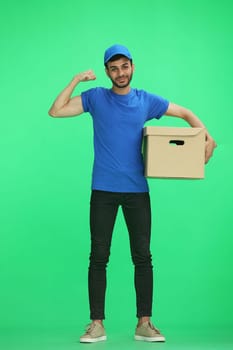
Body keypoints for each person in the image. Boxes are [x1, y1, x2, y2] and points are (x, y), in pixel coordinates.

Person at [48, 44, 216, 343]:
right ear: (107, 72)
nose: (120, 73)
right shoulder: (96, 97)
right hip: (103, 190)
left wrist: (206, 135)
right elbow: (56, 110)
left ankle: (144, 323)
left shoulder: (145, 101)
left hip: (137, 191)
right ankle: (96, 324)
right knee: (99, 256)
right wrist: (75, 79)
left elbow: (185, 113)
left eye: (124, 66)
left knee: (143, 256)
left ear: (132, 67)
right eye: (114, 68)